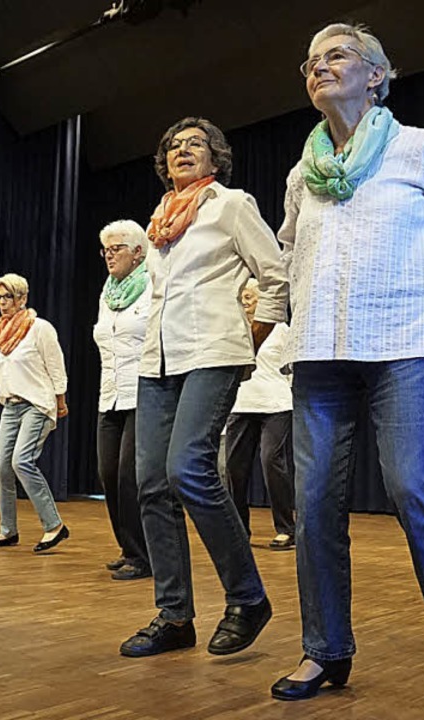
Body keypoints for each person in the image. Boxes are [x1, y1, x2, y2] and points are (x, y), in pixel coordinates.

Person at [271, 23, 424, 715]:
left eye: (335, 55)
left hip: (404, 341)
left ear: (377, 75)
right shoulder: (300, 172)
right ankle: (325, 648)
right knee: (312, 506)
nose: (318, 66)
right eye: (310, 60)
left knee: (413, 487)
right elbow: (287, 256)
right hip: (318, 351)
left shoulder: (419, 149)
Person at [119, 116, 289, 660]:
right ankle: (174, 617)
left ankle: (247, 597)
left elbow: (276, 275)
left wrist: (253, 336)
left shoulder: (231, 204)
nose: (182, 151)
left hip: (214, 350)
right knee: (149, 483)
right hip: (158, 360)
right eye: (173, 145)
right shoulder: (160, 222)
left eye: (195, 144)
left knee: (187, 467)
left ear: (216, 159)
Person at [0, 273, 70, 552]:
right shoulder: (1, 331)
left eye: (8, 296)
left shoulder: (39, 327)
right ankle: (8, 530)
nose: (2, 303)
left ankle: (54, 526)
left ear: (22, 298)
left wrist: (60, 401)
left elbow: (56, 365)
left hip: (37, 403)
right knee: (1, 468)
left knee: (22, 461)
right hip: (11, 405)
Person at [93, 219, 153, 580]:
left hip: (143, 391)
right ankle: (127, 546)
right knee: (108, 473)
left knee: (131, 475)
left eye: (117, 249)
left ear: (138, 252)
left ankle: (143, 555)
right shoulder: (108, 293)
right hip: (110, 394)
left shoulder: (152, 285)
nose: (110, 255)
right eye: (106, 249)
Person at [224, 279, 295, 549]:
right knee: (234, 468)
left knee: (271, 460)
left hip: (275, 403)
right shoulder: (234, 329)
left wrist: (289, 392)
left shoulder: (280, 330)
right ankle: (238, 530)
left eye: (251, 296)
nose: (245, 301)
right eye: (242, 296)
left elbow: (293, 367)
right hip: (241, 404)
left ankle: (286, 529)